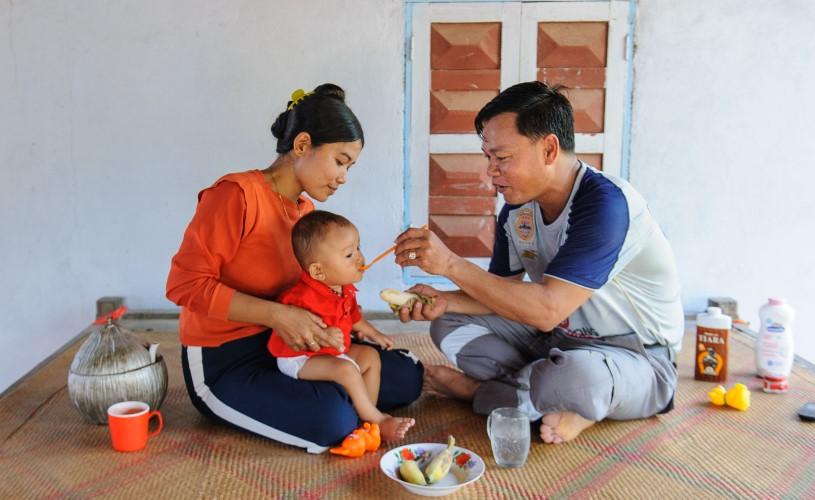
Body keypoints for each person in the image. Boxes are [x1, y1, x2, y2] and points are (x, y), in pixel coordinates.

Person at [392, 81, 683, 444]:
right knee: (445, 324)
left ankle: (487, 394)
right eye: (488, 158)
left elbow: (547, 308)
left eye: (502, 158)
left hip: (636, 357)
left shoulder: (604, 204)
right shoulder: (517, 210)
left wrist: (450, 264)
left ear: (548, 149)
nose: (490, 172)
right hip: (556, 339)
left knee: (574, 378)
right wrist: (444, 300)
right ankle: (551, 394)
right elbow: (503, 294)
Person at [166, 84, 423, 453]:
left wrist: (352, 323)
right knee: (332, 421)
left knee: (406, 377)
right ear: (302, 145)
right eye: (340, 160)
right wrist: (279, 316)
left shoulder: (306, 215)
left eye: (350, 166)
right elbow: (184, 285)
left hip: (288, 349)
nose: (343, 177)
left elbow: (315, 293)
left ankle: (337, 401)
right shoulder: (235, 195)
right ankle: (337, 407)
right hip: (226, 359)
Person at [267, 210, 415, 442]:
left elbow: (354, 317)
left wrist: (373, 333)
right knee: (347, 370)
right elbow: (297, 329)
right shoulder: (300, 298)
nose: (360, 258)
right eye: (348, 255)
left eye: (358, 248)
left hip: (332, 351)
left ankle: (366, 419)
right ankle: (379, 420)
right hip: (300, 357)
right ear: (318, 270)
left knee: (370, 357)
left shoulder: (343, 287)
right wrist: (325, 334)